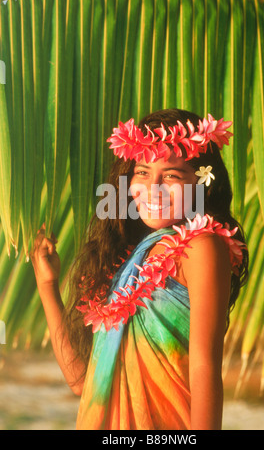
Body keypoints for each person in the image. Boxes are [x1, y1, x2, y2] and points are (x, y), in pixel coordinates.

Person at [31, 108, 248, 430]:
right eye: (142, 173)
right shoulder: (131, 260)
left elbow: (204, 366)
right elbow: (82, 382)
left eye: (172, 176)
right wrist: (48, 286)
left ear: (202, 182)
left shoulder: (201, 246)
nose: (153, 188)